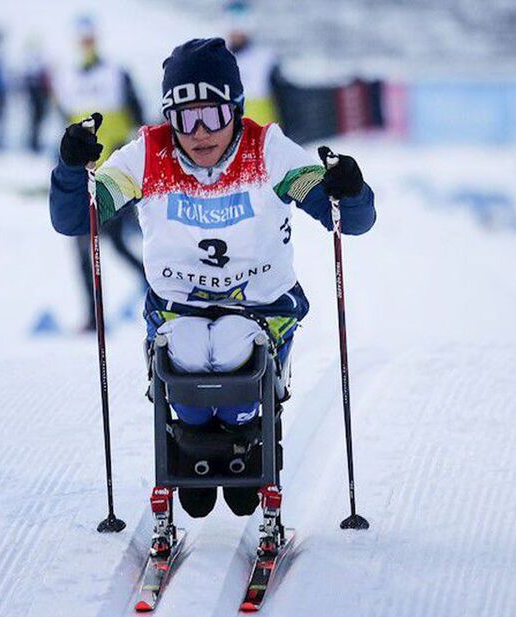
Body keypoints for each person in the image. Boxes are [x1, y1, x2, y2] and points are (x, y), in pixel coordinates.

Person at [48, 39, 375, 534]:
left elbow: (345, 219)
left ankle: (243, 437)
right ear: (168, 117)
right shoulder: (147, 155)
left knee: (231, 347)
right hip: (179, 308)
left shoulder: (267, 150)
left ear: (237, 109)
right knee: (185, 348)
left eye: (213, 115)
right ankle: (194, 444)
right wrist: (72, 171)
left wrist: (350, 192)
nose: (199, 133)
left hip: (262, 308)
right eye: (185, 117)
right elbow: (77, 219)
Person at [54, 16, 148, 330]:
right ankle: (93, 317)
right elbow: (64, 124)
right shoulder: (65, 77)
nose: (86, 45)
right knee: (82, 247)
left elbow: (138, 117)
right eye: (82, 40)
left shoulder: (116, 73)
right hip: (84, 177)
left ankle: (154, 288)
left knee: (116, 244)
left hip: (115, 176)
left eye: (90, 39)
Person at [224, 1, 286, 128]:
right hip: (232, 137)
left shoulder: (265, 59)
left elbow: (285, 100)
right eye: (232, 24)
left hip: (263, 136)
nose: (237, 31)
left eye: (241, 25)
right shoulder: (220, 60)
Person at [21, 39, 53, 154]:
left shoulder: (38, 62)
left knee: (38, 120)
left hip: (40, 95)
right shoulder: (32, 63)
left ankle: (34, 142)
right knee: (35, 120)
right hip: (36, 95)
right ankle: (33, 143)